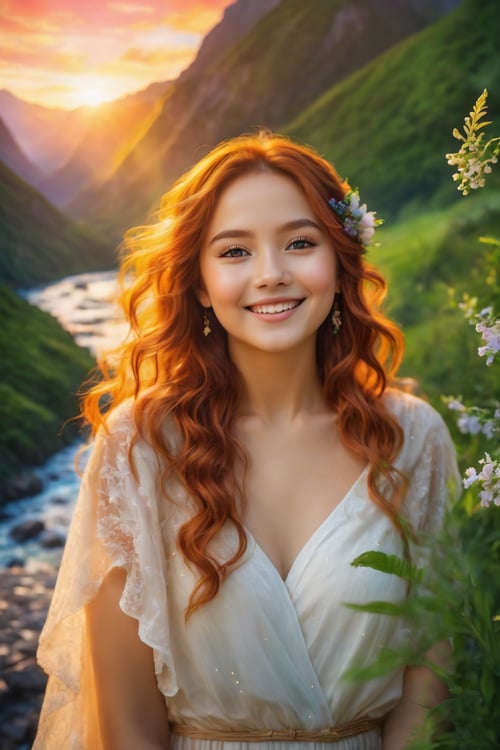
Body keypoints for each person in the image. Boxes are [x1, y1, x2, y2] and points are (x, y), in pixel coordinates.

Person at [33, 132, 459, 750]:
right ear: (199, 283)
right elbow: (124, 725)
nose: (271, 274)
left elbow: (431, 681)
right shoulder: (139, 447)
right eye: (235, 251)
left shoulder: (413, 438)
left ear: (339, 265)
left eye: (300, 243)